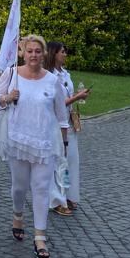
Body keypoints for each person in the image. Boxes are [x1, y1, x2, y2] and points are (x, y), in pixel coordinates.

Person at [0, 35, 68, 258]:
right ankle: (18, 215)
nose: (34, 55)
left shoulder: (52, 81)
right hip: (18, 140)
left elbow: (61, 115)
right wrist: (8, 96)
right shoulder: (12, 74)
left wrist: (63, 144)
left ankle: (39, 237)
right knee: (19, 187)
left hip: (44, 142)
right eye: (30, 51)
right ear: (23, 53)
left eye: (38, 51)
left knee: (41, 188)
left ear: (44, 54)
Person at [45, 41, 90, 216]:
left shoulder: (65, 74)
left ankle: (70, 195)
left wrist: (78, 96)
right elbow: (55, 104)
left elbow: (68, 97)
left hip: (68, 121)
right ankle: (57, 199)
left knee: (71, 160)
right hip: (54, 123)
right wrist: (77, 97)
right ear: (54, 53)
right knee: (58, 161)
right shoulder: (49, 76)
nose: (65, 54)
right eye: (62, 51)